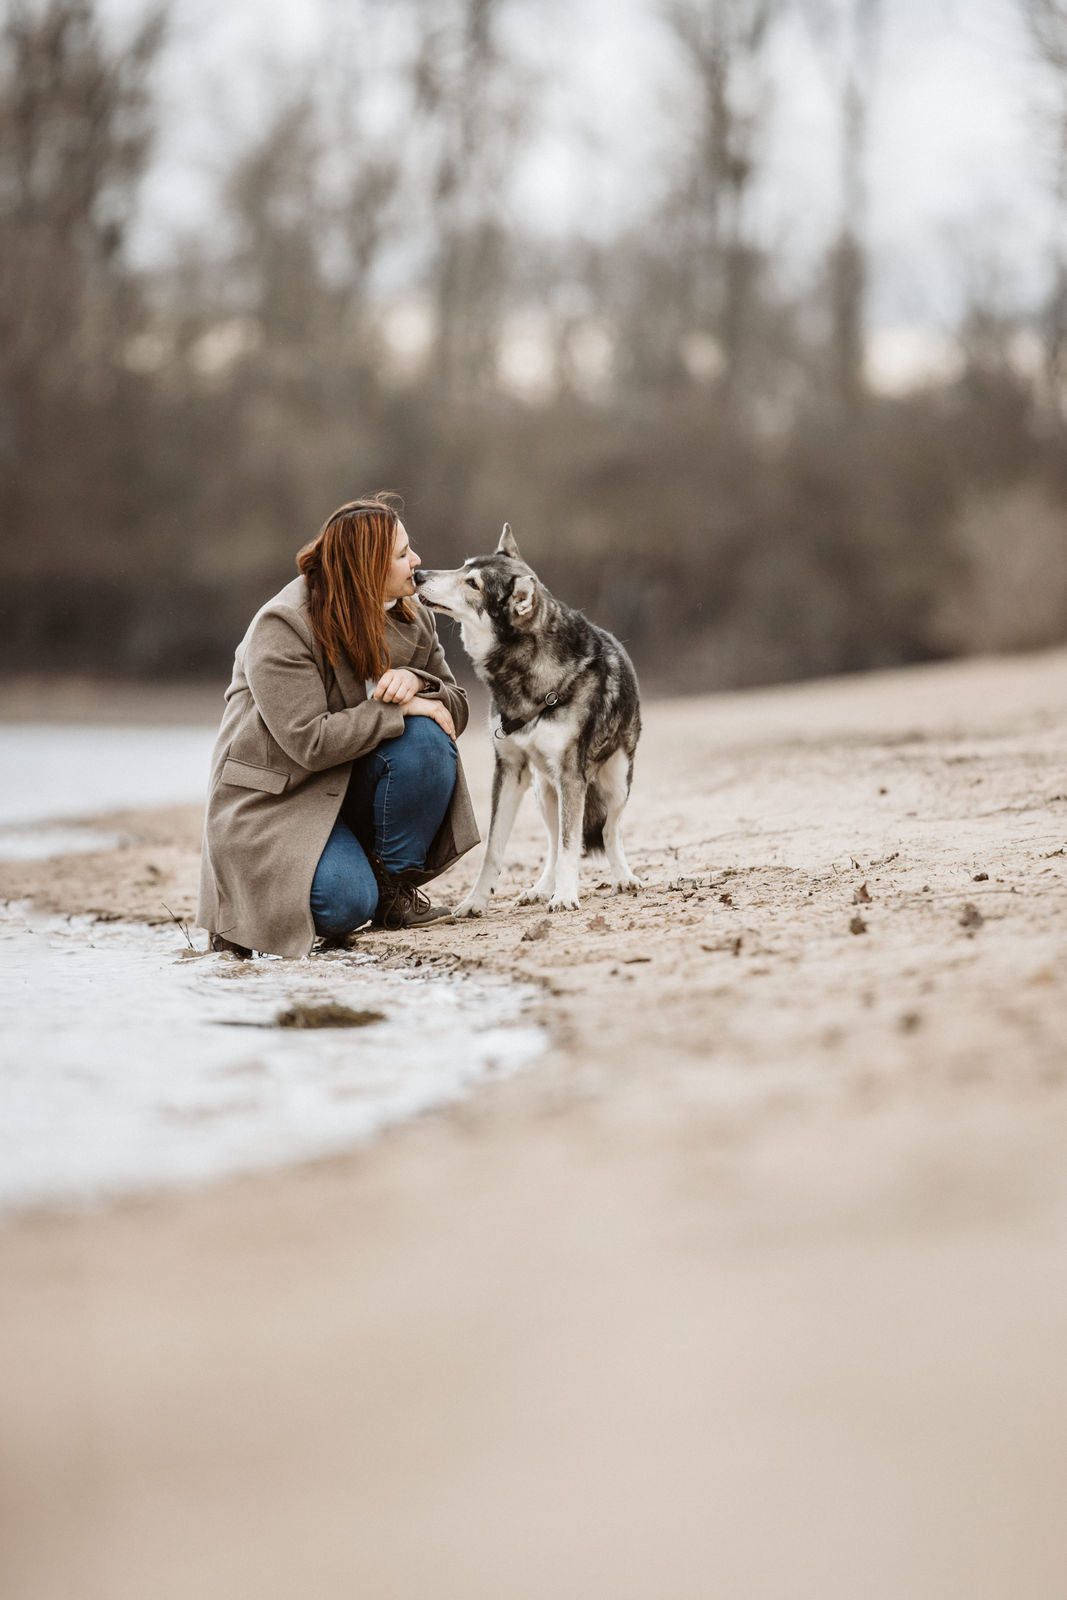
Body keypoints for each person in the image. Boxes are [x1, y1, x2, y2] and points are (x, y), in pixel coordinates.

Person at [197, 494, 479, 958]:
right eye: (402, 554)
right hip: (276, 802)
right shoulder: (282, 625)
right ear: (366, 568)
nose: (417, 560)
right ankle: (238, 924)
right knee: (345, 906)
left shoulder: (415, 614)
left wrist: (417, 682)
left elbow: (456, 708)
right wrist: (400, 709)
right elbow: (309, 741)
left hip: (347, 785)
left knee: (428, 742)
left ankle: (393, 889)